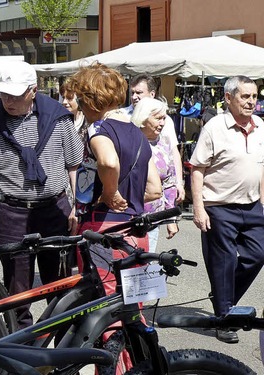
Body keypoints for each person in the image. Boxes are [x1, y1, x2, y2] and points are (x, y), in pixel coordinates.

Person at [0, 61, 84, 328]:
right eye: (3, 94)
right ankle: (23, 355)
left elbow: (75, 166)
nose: (7, 100)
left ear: (33, 90)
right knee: (17, 293)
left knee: (61, 289)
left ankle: (66, 356)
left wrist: (78, 207)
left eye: (14, 94)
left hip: (55, 210)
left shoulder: (57, 117)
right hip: (11, 213)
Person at [70, 63, 161, 296]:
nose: (79, 105)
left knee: (103, 308)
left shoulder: (98, 128)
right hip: (136, 230)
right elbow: (154, 188)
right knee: (133, 308)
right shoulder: (138, 134)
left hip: (103, 230)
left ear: (91, 101)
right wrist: (127, 196)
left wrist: (110, 193)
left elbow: (109, 161)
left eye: (80, 100)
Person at [189, 75, 264, 344]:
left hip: (253, 206)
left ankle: (223, 296)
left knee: (258, 254)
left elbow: (260, 168)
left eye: (254, 96)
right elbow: (197, 169)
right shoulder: (214, 127)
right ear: (229, 98)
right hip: (219, 207)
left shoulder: (261, 126)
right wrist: (199, 208)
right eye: (245, 96)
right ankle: (224, 319)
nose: (251, 102)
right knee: (223, 263)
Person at [124, 74, 185, 203]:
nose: (134, 97)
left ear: (152, 94)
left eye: (139, 93)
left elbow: (173, 152)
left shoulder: (165, 119)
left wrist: (179, 183)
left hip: (159, 195)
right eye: (132, 92)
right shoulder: (122, 116)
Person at [131, 97, 179, 252]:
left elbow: (170, 183)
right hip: (127, 217)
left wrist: (170, 218)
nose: (163, 123)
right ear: (143, 119)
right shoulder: (128, 142)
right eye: (158, 118)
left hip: (152, 218)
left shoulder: (164, 144)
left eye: (164, 118)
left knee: (146, 264)